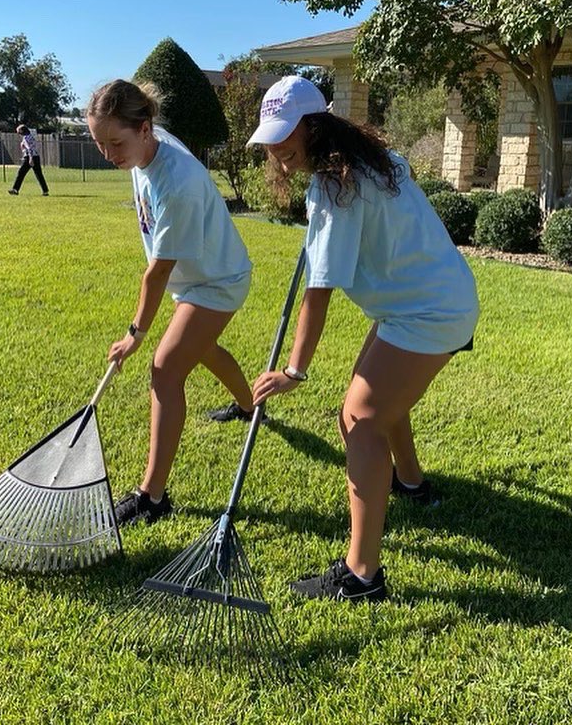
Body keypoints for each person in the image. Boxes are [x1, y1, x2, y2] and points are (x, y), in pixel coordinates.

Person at [249, 76, 479, 603]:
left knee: (359, 418)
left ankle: (361, 574)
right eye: (271, 139)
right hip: (423, 296)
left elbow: (320, 290)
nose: (278, 150)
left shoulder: (336, 186)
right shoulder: (371, 160)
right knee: (370, 407)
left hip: (427, 309)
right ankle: (412, 483)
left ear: (315, 126)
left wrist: (294, 371)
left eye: (287, 136)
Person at [87, 79, 259, 525]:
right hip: (197, 277)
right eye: (99, 143)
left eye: (115, 142)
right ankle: (250, 406)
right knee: (201, 350)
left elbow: (157, 273)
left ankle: (153, 496)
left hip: (217, 281)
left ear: (145, 128)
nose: (108, 154)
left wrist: (134, 335)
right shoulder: (145, 146)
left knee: (165, 367)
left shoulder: (177, 180)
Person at [8, 124, 49, 196]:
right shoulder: (32, 136)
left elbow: (30, 148)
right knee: (39, 174)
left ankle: (15, 189)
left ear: (22, 131)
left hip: (29, 157)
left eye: (18, 131)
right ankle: (45, 191)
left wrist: (30, 158)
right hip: (36, 156)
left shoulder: (26, 138)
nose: (18, 133)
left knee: (21, 173)